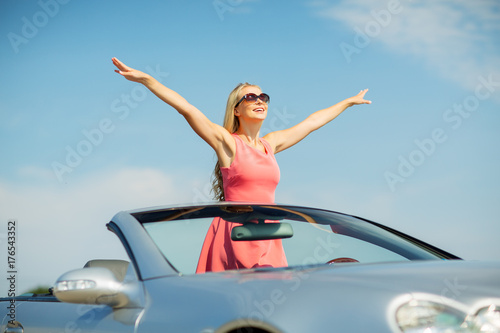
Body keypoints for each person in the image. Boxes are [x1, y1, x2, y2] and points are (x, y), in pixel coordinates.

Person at [112, 57, 371, 273]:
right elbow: (187, 109)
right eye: (250, 97)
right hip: (236, 234)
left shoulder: (271, 144)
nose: (259, 101)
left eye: (263, 97)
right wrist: (147, 80)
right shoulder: (228, 144)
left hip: (270, 233)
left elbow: (311, 123)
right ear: (236, 109)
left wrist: (347, 102)